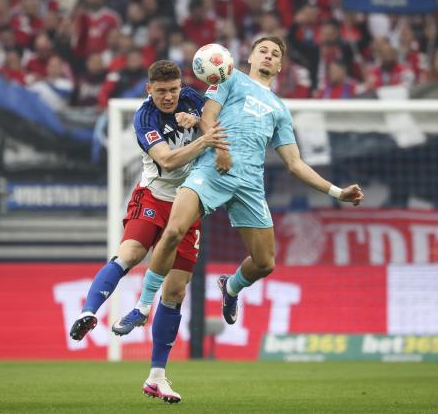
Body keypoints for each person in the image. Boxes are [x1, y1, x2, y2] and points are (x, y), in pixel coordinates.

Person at [115, 35, 362, 362]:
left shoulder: (280, 110)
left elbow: (294, 163)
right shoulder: (228, 78)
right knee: (174, 230)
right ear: (250, 57)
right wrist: (221, 150)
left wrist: (336, 191)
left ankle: (230, 288)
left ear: (280, 65)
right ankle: (142, 307)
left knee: (265, 263)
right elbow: (207, 118)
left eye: (275, 54)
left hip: (249, 184)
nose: (269, 56)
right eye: (263, 50)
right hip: (213, 169)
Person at [68, 60, 228, 403]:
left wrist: (199, 121)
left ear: (180, 85)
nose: (169, 97)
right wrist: (203, 138)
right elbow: (168, 160)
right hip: (153, 196)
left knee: (176, 291)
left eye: (173, 90)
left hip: (190, 204)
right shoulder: (145, 118)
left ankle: (157, 376)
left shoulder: (193, 99)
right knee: (130, 253)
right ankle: (88, 312)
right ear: (149, 90)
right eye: (161, 91)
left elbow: (221, 126)